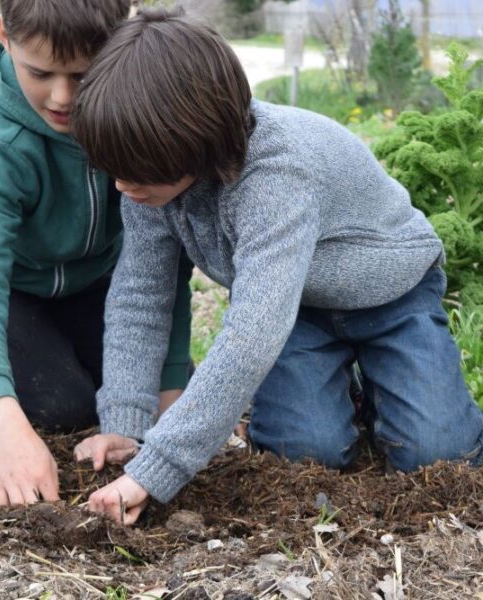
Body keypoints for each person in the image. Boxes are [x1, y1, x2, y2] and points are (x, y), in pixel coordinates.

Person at [70, 8, 483, 525]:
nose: (121, 186)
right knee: (305, 453)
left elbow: (252, 334)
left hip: (390, 295)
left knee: (437, 455)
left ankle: (388, 380)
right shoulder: (145, 183)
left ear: (198, 140)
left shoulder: (275, 174)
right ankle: (347, 395)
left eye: (134, 172)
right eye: (114, 171)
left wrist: (157, 468)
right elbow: (139, 299)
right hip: (302, 312)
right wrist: (124, 426)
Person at [0, 0, 193, 508]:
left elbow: (162, 263)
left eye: (83, 74)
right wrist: (6, 430)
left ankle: (46, 345)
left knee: (136, 394)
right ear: (4, 33)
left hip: (91, 277)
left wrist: (171, 381)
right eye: (40, 72)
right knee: (60, 405)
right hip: (2, 280)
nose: (63, 96)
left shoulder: (137, 107)